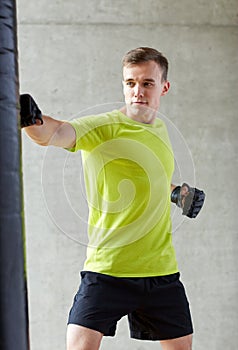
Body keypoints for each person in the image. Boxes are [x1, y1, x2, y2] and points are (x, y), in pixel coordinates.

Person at [21, 47, 205, 350]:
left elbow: (148, 175)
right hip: (108, 270)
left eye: (147, 83)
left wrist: (175, 193)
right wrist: (32, 122)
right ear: (123, 85)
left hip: (161, 270)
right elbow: (57, 133)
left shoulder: (159, 129)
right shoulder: (104, 127)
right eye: (130, 83)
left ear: (164, 87)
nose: (138, 92)